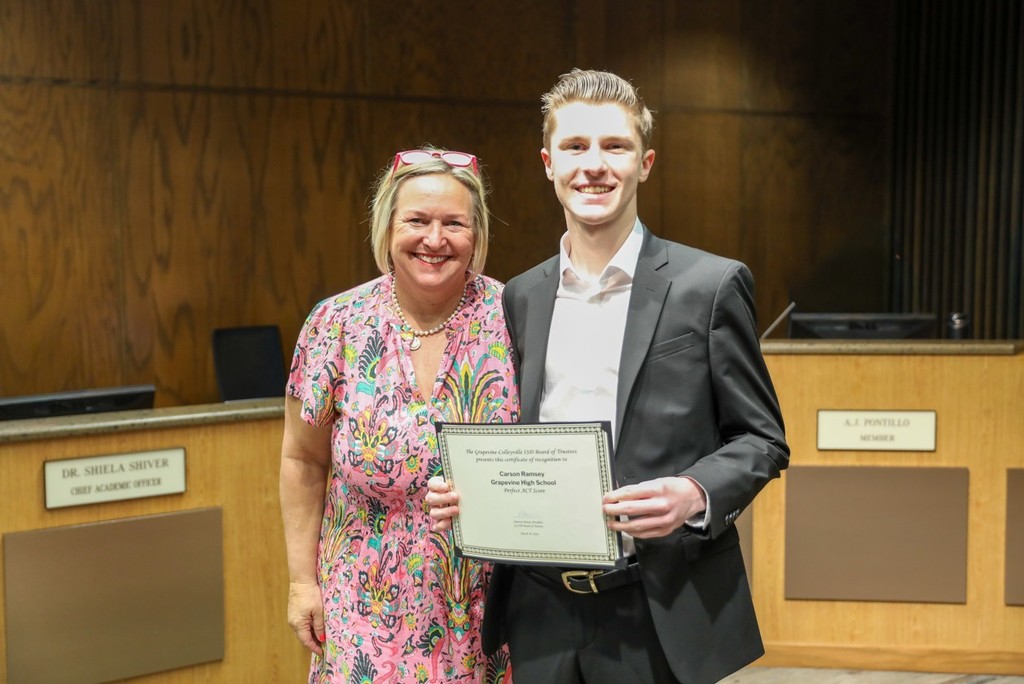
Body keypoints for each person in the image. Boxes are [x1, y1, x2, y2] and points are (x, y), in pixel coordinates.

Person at [427, 69, 789, 684]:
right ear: (548, 164)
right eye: (575, 146)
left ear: (644, 163)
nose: (593, 165)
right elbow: (517, 435)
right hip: (540, 608)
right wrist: (473, 492)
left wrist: (694, 493)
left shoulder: (709, 286)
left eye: (614, 146)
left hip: (656, 605)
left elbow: (762, 439)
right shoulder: (521, 296)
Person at [280, 147, 518, 683]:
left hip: (485, 612)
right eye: (417, 220)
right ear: (387, 227)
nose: (435, 239)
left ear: (476, 235)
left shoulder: (516, 318)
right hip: (361, 608)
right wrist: (301, 584)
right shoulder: (336, 324)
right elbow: (302, 460)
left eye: (454, 223)